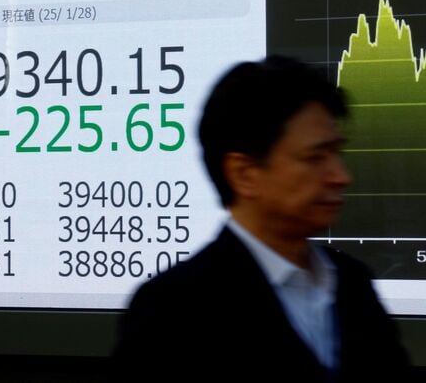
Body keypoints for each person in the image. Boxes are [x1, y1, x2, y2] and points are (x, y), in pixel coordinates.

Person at [114, 56, 409, 380]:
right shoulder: (173, 308)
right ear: (244, 174)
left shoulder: (353, 284)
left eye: (337, 154)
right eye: (315, 158)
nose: (341, 176)